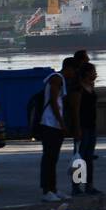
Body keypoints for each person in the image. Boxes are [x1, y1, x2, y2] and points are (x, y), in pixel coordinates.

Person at [37, 58, 74, 202]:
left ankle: (53, 189)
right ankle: (47, 191)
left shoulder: (59, 80)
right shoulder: (56, 79)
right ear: (69, 68)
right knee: (49, 158)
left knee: (53, 158)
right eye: (74, 71)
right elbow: (53, 102)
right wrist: (62, 122)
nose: (73, 75)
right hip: (49, 124)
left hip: (54, 125)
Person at [72, 63, 101, 196]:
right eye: (93, 71)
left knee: (88, 158)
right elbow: (75, 110)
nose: (95, 74)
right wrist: (77, 129)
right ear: (86, 73)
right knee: (80, 158)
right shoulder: (79, 89)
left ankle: (89, 185)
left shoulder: (91, 86)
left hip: (91, 125)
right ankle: (76, 187)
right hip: (82, 126)